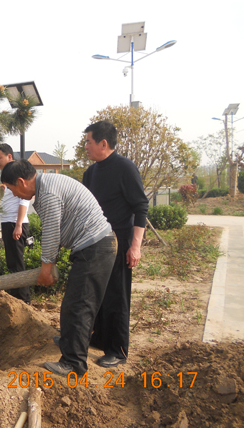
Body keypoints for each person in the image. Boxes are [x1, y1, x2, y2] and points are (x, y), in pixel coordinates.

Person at [1, 160, 117, 377]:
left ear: (21, 182)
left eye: (11, 189)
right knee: (75, 303)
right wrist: (49, 261)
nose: (14, 195)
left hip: (95, 247)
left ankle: (73, 363)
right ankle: (69, 341)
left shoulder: (49, 192)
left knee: (78, 306)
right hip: (93, 246)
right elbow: (59, 229)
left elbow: (52, 231)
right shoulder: (47, 186)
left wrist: (46, 267)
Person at [83, 121, 149, 368]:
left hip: (120, 242)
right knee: (97, 293)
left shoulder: (124, 168)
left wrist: (135, 246)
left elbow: (140, 207)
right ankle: (99, 337)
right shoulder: (91, 173)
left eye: (88, 141)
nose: (86, 146)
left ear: (103, 143)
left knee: (117, 297)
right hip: (97, 242)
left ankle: (118, 349)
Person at [0, 144, 31, 304]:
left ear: (9, 157)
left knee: (17, 264)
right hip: (8, 222)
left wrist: (18, 225)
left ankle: (23, 300)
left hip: (14, 223)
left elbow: (24, 200)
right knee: (12, 263)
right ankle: (16, 299)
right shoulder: (8, 176)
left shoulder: (17, 173)